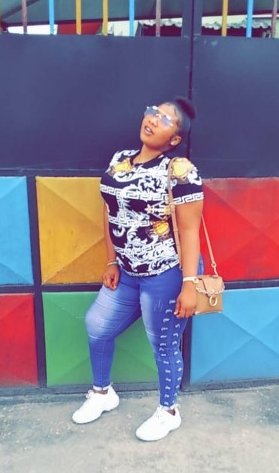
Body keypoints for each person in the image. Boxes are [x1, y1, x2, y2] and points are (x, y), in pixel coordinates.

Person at [71, 97, 204, 442]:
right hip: (128, 271)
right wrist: (111, 260)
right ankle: (103, 393)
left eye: (165, 119)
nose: (153, 119)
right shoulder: (119, 160)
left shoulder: (180, 170)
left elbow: (190, 229)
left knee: (163, 344)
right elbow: (110, 211)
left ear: (175, 138)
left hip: (165, 272)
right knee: (97, 326)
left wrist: (189, 283)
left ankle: (169, 412)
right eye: (153, 112)